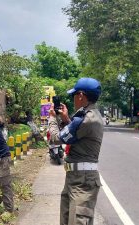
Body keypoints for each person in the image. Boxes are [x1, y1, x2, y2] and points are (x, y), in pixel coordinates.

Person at [48, 77, 103, 225]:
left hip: (82, 182)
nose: (73, 99)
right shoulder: (88, 115)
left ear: (80, 95)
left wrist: (52, 118)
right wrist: (66, 119)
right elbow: (77, 135)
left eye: (74, 95)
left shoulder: (87, 119)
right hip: (75, 178)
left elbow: (55, 138)